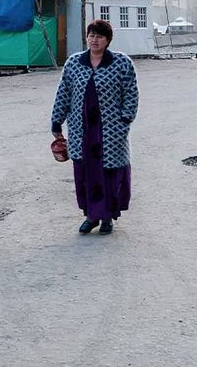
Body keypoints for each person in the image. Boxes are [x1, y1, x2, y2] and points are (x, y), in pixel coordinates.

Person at [51, 20, 139, 235]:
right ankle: (91, 216)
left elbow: (131, 94)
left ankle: (107, 217)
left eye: (99, 36)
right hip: (82, 131)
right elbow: (64, 94)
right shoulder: (73, 63)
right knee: (86, 173)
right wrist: (57, 121)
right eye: (91, 35)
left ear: (108, 40)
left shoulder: (121, 63)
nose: (94, 39)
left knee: (109, 173)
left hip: (110, 130)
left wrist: (124, 120)